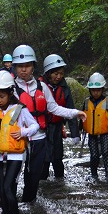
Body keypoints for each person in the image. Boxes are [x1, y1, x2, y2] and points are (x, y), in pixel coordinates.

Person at [11, 44, 87, 202]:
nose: (23, 70)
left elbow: (54, 108)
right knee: (13, 175)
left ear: (33, 67)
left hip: (38, 138)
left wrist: (75, 113)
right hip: (18, 138)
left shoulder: (42, 87)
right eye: (20, 66)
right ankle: (10, 208)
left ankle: (29, 206)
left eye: (27, 66)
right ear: (15, 67)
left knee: (33, 177)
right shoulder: (9, 88)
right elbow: (0, 113)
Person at [0, 71, 40, 214]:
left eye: (2, 97)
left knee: (8, 187)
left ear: (10, 93)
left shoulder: (20, 110)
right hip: (0, 156)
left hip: (16, 155)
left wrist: (22, 131)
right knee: (2, 190)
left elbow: (35, 126)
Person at [39, 54, 79, 180]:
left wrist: (75, 133)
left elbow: (70, 110)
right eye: (55, 73)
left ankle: (60, 184)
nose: (58, 76)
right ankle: (42, 184)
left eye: (61, 73)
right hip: (42, 128)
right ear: (48, 73)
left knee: (57, 157)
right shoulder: (39, 86)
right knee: (44, 159)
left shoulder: (64, 87)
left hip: (57, 127)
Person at [80, 72, 108, 184]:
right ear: (90, 90)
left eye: (98, 90)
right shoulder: (86, 102)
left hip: (105, 134)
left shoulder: (107, 102)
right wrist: (79, 131)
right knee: (94, 155)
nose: (96, 92)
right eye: (93, 90)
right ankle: (94, 175)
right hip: (92, 134)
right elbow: (82, 116)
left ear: (102, 89)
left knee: (105, 152)